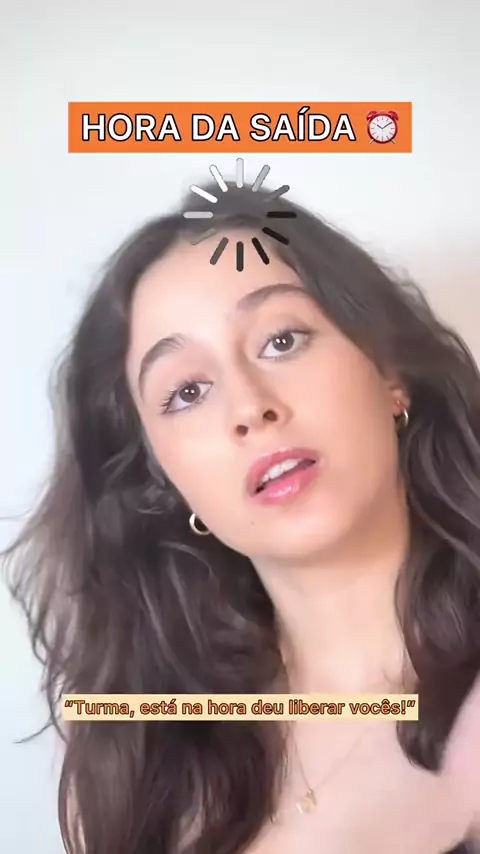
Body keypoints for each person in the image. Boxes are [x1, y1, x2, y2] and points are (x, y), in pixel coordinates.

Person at [2, 179, 480, 854]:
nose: (250, 407)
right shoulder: (135, 765)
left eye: (282, 340)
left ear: (389, 374)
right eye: (187, 391)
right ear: (163, 480)